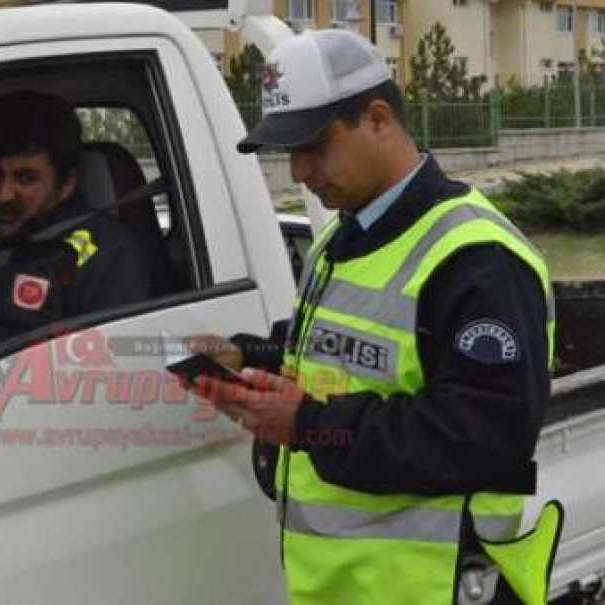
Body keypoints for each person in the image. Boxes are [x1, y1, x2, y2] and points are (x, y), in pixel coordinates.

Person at [189, 30, 561, 605]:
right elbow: (340, 346)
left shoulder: (476, 259)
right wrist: (248, 355)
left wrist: (307, 424)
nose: (299, 171)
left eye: (313, 145)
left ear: (379, 119)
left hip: (432, 588)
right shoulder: (344, 236)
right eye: (288, 151)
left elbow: (485, 435)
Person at [0, 90, 152, 378]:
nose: (1, 195)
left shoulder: (106, 257)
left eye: (25, 178)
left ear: (67, 185)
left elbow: (106, 381)